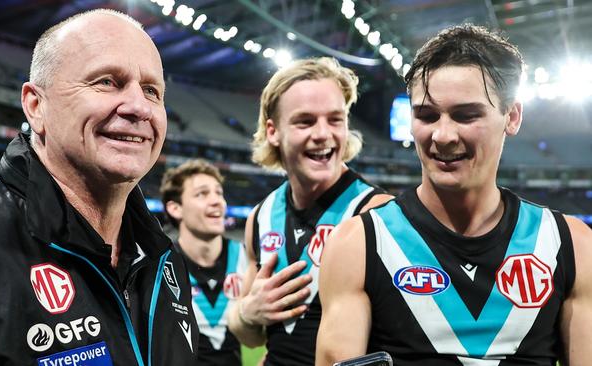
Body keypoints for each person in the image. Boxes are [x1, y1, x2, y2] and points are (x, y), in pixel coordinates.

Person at [316, 24, 592, 366]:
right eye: (427, 115)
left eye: (466, 115)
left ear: (512, 116)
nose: (443, 135)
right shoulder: (357, 245)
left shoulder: (573, 246)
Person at [0, 9, 198, 365]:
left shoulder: (165, 261)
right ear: (36, 106)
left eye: (152, 91)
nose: (139, 107)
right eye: (107, 81)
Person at [227, 57, 390, 365]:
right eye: (306, 121)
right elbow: (250, 335)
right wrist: (249, 313)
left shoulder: (377, 214)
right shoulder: (260, 218)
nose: (323, 134)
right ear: (273, 131)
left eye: (335, 119)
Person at [160, 159, 246, 366]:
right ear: (175, 208)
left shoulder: (246, 256)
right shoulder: (161, 266)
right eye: (202, 194)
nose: (217, 201)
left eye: (219, 192)